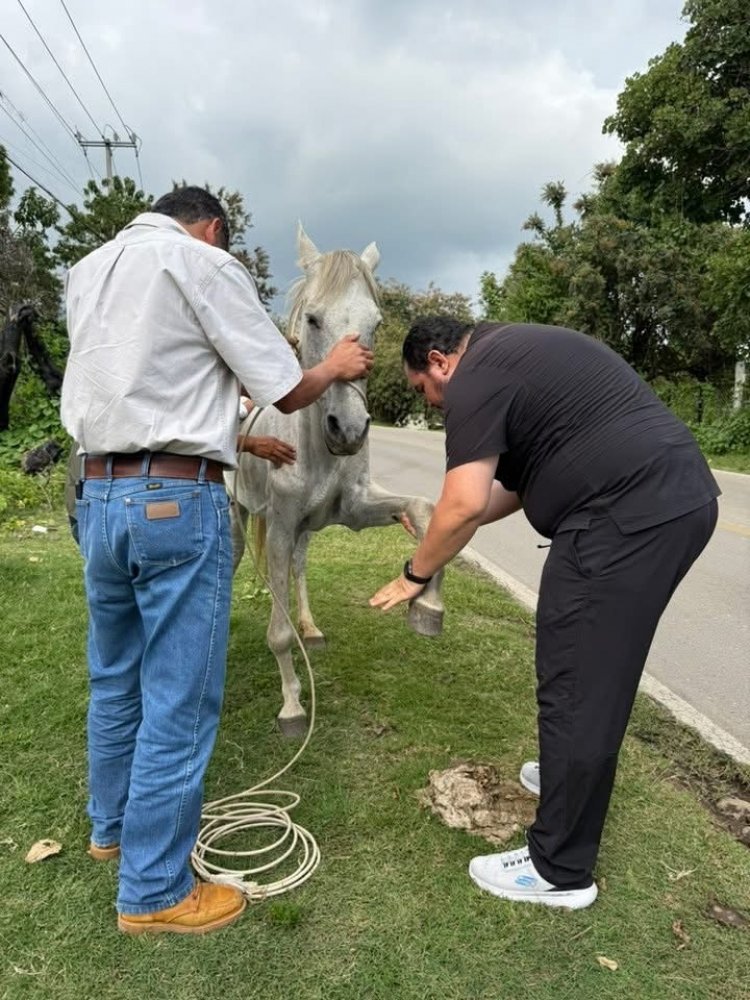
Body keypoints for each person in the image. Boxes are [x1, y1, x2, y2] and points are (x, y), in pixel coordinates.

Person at [61, 186, 373, 935]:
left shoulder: (88, 269)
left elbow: (142, 391)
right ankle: (155, 891)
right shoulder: (201, 262)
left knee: (116, 680)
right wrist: (335, 367)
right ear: (211, 228)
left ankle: (111, 830)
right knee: (179, 696)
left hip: (97, 498)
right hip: (174, 504)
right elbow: (287, 388)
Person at [370, 316, 719, 910]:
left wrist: (415, 573)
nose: (430, 405)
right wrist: (447, 518)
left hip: (618, 518)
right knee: (596, 675)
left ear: (438, 361)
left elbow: (465, 501)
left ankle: (559, 869)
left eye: (422, 390)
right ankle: (563, 784)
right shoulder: (518, 350)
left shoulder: (475, 377)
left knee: (576, 682)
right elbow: (512, 491)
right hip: (673, 501)